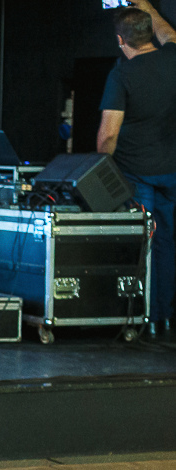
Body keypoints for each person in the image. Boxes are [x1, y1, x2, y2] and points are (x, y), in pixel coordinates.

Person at [97, 1, 176, 339]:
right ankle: (164, 318)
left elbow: (109, 134)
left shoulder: (122, 74)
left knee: (143, 243)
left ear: (120, 40)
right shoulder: (173, 57)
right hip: (171, 172)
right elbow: (169, 33)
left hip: (136, 173)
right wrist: (145, 3)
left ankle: (145, 317)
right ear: (148, 35)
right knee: (167, 241)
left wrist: (100, 168)